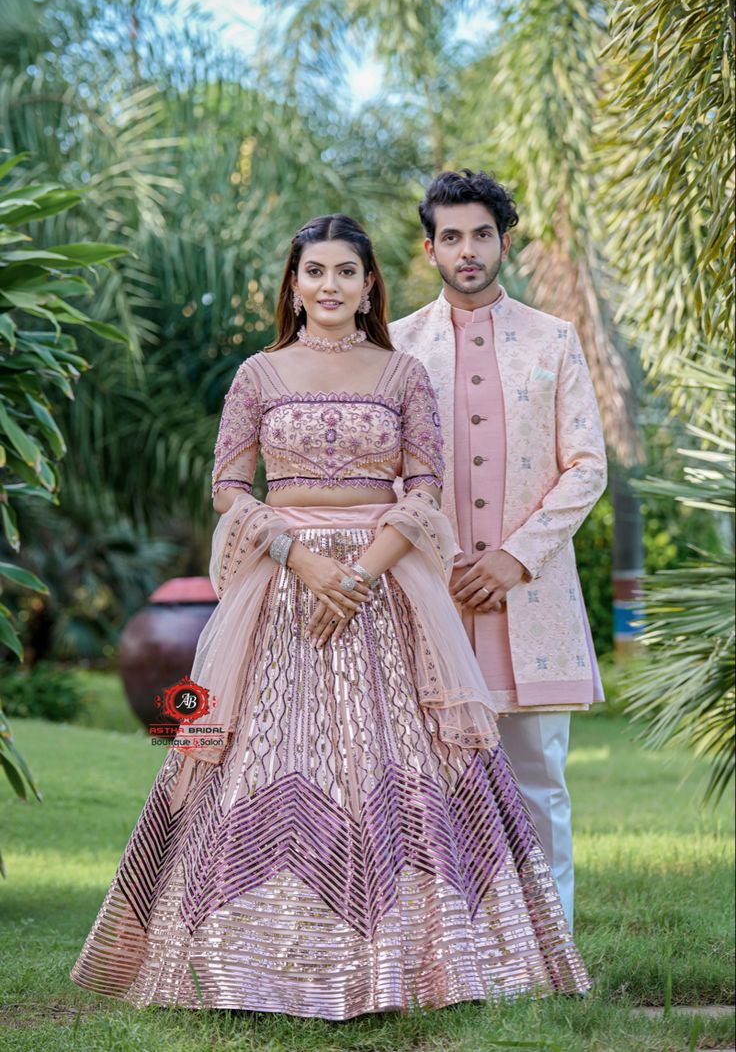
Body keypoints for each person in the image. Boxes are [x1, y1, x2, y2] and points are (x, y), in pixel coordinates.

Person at [69, 214, 590, 1018]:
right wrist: (302, 561)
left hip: (386, 589)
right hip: (279, 585)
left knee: (402, 760)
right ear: (293, 284)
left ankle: (419, 963)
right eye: (315, 272)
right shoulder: (259, 375)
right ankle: (236, 963)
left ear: (370, 284)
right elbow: (230, 488)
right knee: (245, 751)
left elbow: (423, 489)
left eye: (347, 272)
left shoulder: (403, 375)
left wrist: (359, 573)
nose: (331, 286)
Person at [389, 170, 608, 931]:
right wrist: (435, 556)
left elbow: (587, 465)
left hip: (532, 597)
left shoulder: (554, 340)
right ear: (430, 249)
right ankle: (455, 948)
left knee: (538, 780)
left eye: (482, 234)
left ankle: (553, 947)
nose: (468, 250)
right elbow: (382, 474)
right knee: (432, 779)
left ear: (504, 241)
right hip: (431, 599)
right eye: (451, 236)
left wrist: (515, 557)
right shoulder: (396, 349)